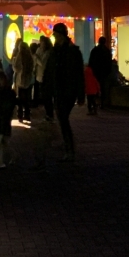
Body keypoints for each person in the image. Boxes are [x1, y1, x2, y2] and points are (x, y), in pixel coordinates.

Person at [43, 22, 85, 161]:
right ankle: (68, 145)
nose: (54, 37)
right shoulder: (57, 51)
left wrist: (80, 94)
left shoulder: (71, 52)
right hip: (59, 89)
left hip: (67, 90)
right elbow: (50, 71)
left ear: (61, 35)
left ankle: (69, 147)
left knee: (62, 117)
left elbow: (78, 74)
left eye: (55, 34)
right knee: (62, 118)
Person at [13, 40, 35, 123]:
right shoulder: (30, 56)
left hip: (21, 79)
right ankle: (27, 115)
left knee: (20, 98)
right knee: (27, 98)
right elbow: (32, 67)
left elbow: (16, 67)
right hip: (28, 80)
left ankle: (20, 115)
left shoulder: (20, 55)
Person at [88, 35, 113, 108]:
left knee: (94, 88)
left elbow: (91, 61)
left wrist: (91, 70)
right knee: (103, 88)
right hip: (104, 73)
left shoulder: (95, 50)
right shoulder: (107, 51)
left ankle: (95, 103)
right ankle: (102, 102)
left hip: (96, 72)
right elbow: (109, 63)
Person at [34, 35, 52, 117]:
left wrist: (36, 58)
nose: (40, 44)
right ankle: (48, 113)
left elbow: (42, 63)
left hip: (45, 76)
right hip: (39, 75)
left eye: (42, 42)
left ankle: (49, 113)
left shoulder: (48, 52)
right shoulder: (39, 50)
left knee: (46, 95)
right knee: (42, 93)